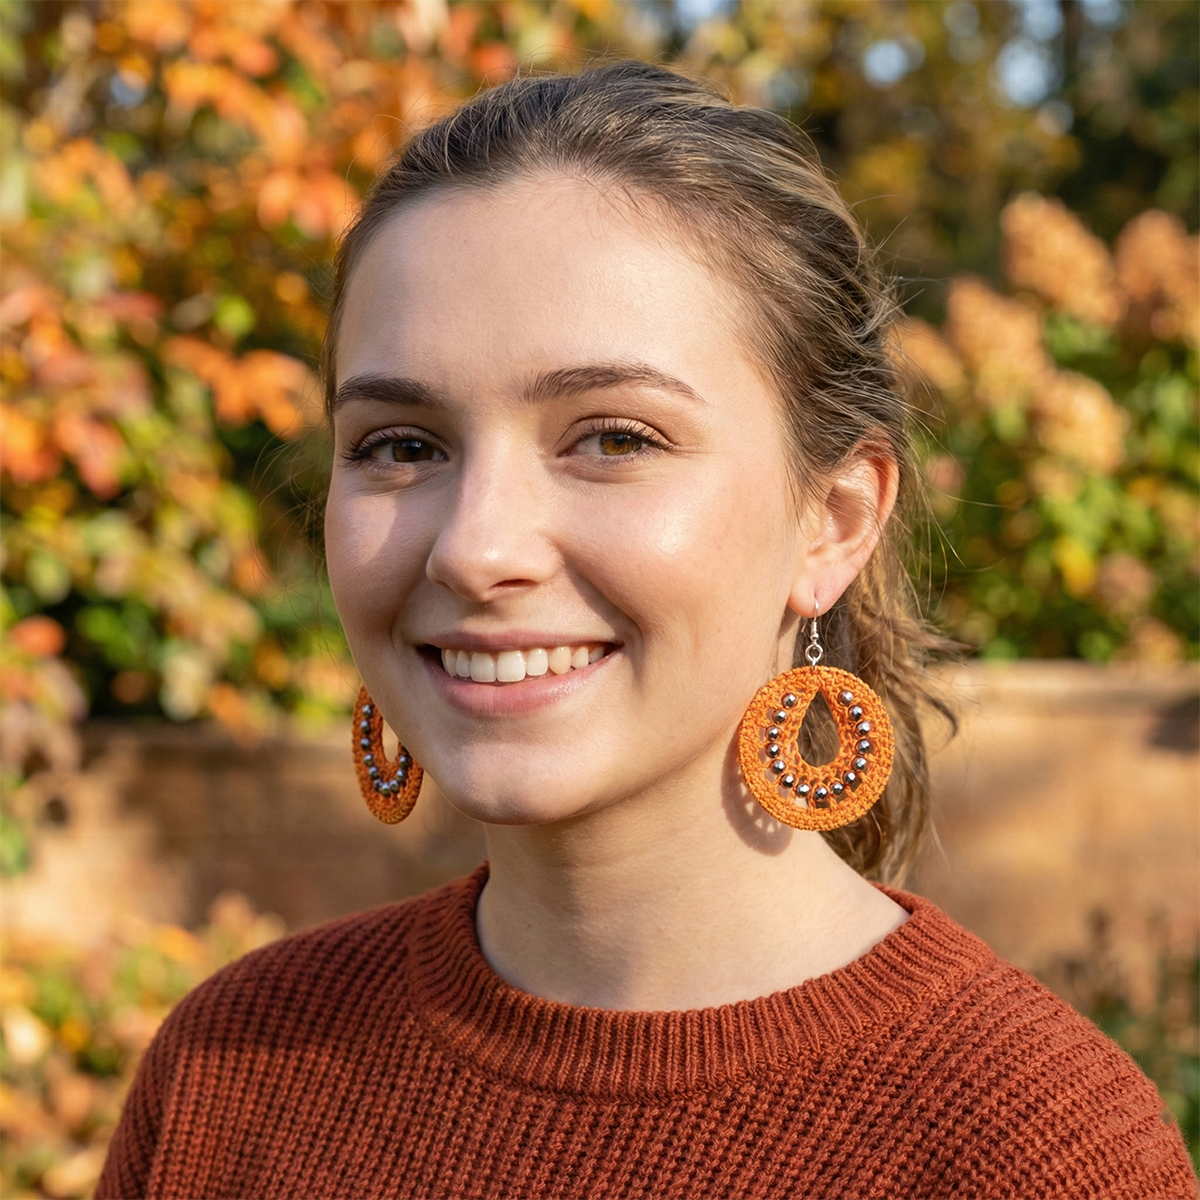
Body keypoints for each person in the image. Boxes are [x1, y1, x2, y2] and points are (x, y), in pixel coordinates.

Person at [96, 61, 1198, 1198]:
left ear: (835, 520)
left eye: (614, 438)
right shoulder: (229, 1078)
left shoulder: (1032, 1153)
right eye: (402, 445)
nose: (475, 548)